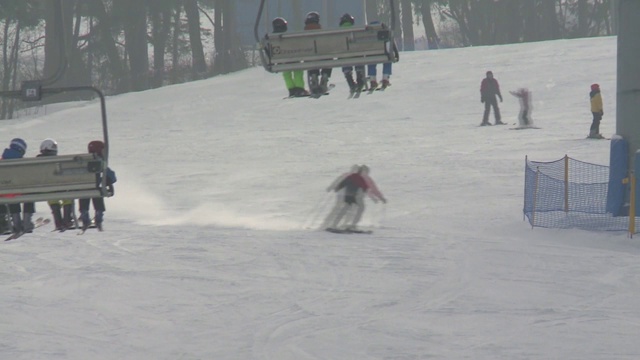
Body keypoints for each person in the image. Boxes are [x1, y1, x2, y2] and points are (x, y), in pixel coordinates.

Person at [326, 165, 386, 232]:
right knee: (360, 208)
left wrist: (336, 188)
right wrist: (376, 198)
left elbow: (343, 183)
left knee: (345, 209)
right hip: (354, 196)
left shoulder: (350, 176)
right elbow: (367, 188)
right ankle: (352, 225)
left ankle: (335, 224)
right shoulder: (361, 178)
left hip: (347, 195)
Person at [37, 138, 75, 231]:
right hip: (60, 188)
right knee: (67, 196)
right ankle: (66, 220)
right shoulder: (58, 161)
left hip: (45, 189)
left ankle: (58, 222)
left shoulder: (36, 162)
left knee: (52, 197)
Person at [79, 140, 116, 231]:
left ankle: (84, 213)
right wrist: (109, 183)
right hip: (95, 188)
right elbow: (111, 176)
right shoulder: (100, 162)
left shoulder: (82, 161)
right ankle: (99, 213)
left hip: (83, 188)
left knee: (85, 192)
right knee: (97, 191)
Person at [0, 138, 35, 234]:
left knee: (10, 194)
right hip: (18, 193)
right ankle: (26, 222)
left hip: (3, 194)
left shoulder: (2, 160)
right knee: (29, 194)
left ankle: (10, 223)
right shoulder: (23, 163)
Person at [272, 17, 308, 98]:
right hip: (292, 57)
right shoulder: (288, 36)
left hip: (281, 60)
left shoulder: (271, 38)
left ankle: (291, 89)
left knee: (286, 73)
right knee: (297, 70)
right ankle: (299, 88)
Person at [304, 11, 332, 95]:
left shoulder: (303, 34)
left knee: (310, 58)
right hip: (322, 56)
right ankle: (325, 75)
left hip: (309, 58)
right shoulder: (321, 32)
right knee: (328, 58)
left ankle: (313, 76)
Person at [338, 13, 366, 94]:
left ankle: (350, 80)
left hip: (344, 57)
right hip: (356, 56)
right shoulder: (356, 30)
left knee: (344, 57)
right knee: (358, 55)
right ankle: (360, 76)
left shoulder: (338, 33)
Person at [367, 21, 393, 90]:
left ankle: (372, 80)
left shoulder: (368, 36)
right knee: (388, 58)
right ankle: (385, 78)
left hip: (371, 54)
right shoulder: (383, 34)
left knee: (370, 59)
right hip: (383, 53)